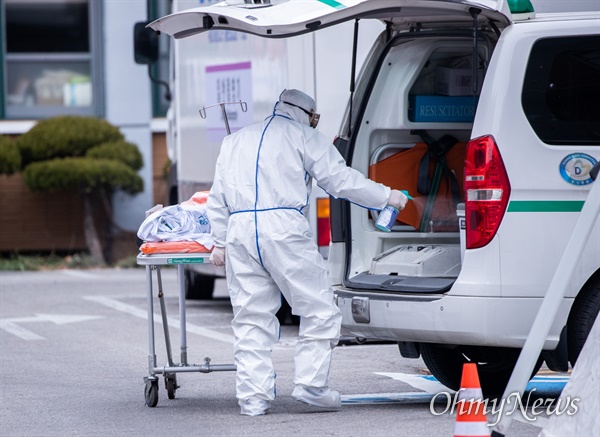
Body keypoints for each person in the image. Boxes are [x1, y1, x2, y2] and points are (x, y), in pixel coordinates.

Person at [206, 89, 408, 416]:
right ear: (307, 114)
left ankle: (253, 399)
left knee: (251, 318)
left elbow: (216, 198)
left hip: (240, 230)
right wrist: (386, 197)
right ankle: (311, 386)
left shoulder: (235, 140)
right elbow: (339, 180)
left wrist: (218, 241)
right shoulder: (303, 136)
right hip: (284, 227)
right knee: (319, 309)